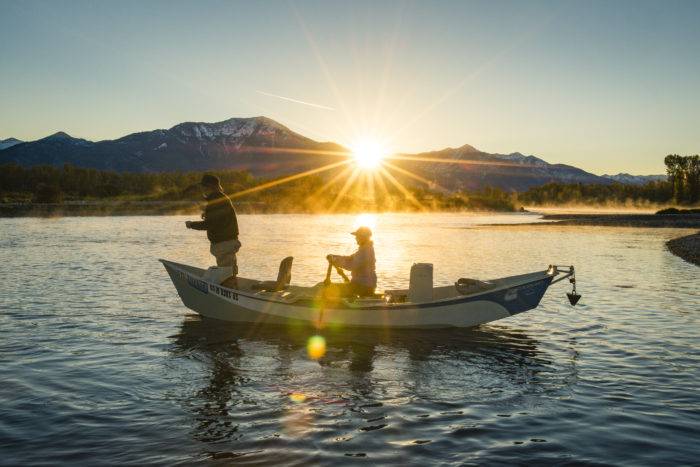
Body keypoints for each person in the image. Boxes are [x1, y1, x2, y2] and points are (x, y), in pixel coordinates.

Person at [186, 174, 241, 286]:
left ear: (210, 187)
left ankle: (230, 299)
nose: (202, 190)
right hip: (227, 244)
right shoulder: (219, 199)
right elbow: (218, 220)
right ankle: (233, 292)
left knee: (226, 278)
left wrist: (191, 224)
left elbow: (210, 224)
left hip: (224, 245)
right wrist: (207, 214)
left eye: (204, 187)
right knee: (229, 274)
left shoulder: (217, 201)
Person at [327, 226, 377, 297]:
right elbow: (349, 258)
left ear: (363, 237)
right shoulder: (364, 249)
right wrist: (334, 257)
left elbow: (351, 266)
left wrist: (335, 261)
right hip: (363, 285)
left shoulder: (365, 251)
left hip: (363, 286)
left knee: (330, 289)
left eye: (357, 236)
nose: (355, 238)